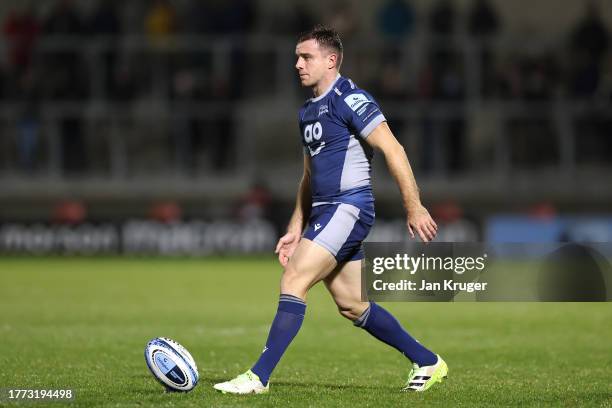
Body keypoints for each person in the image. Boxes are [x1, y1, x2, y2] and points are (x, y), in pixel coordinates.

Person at [214, 25, 446, 395]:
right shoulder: (307, 112)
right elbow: (308, 176)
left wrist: (414, 206)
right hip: (325, 212)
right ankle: (428, 361)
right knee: (354, 306)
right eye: (296, 57)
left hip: (349, 206)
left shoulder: (350, 99)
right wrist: (295, 227)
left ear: (331, 60)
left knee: (293, 280)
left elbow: (394, 149)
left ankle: (258, 378)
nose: (297, 64)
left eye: (306, 57)